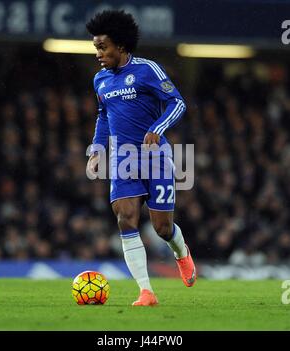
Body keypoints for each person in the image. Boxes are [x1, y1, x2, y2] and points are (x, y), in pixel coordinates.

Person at [86, 10, 196, 306]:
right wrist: (97, 149)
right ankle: (146, 291)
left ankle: (181, 251)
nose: (98, 53)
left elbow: (177, 102)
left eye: (102, 47)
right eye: (96, 47)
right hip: (123, 159)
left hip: (155, 156)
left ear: (120, 45)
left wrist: (156, 129)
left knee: (162, 228)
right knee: (126, 218)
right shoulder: (100, 81)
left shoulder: (148, 70)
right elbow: (103, 116)